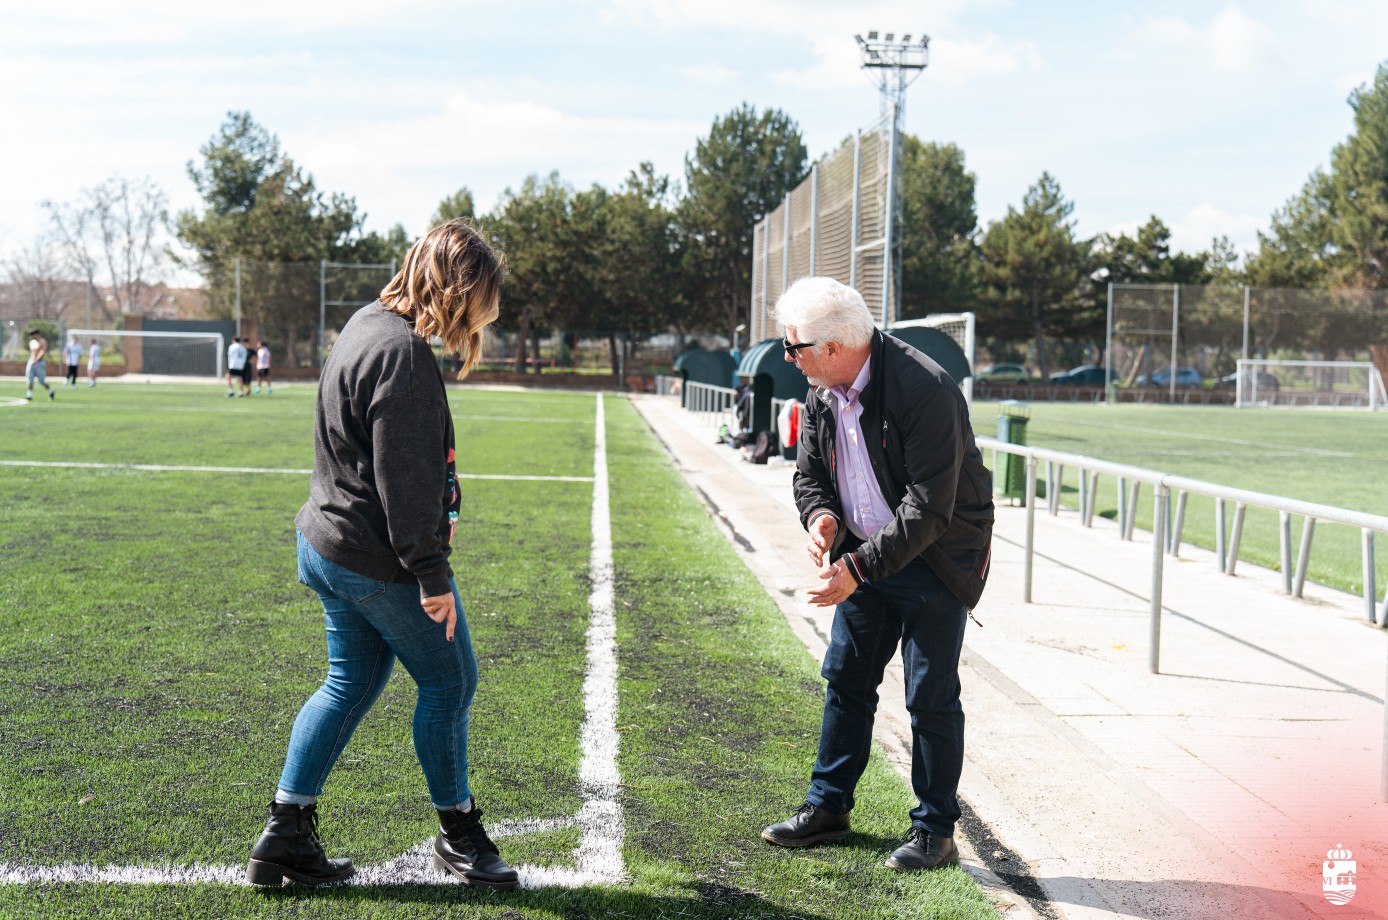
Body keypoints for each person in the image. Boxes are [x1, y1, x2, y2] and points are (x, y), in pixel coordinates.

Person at [247, 220, 516, 890]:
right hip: (372, 557)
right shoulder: (403, 354)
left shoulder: (366, 323)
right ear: (456, 291)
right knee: (451, 681)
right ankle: (458, 832)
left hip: (329, 541)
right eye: (481, 303)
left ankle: (285, 834)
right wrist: (432, 576)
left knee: (350, 683)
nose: (481, 319)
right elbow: (405, 482)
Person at [760, 277, 994, 872]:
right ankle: (828, 807)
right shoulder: (821, 387)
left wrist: (856, 569)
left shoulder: (926, 388)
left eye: (793, 346)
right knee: (846, 678)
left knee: (930, 694)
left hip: (934, 558)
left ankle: (935, 831)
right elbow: (810, 473)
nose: (788, 357)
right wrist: (821, 517)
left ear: (833, 347)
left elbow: (929, 508)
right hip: (866, 555)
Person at [24, 330, 55, 402]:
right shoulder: (32, 342)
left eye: (33, 334)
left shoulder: (43, 341)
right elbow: (32, 353)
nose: (32, 336)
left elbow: (42, 352)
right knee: (29, 379)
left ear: (37, 334)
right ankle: (29, 395)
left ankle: (51, 391)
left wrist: (36, 360)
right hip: (31, 362)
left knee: (42, 381)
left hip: (39, 363)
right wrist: (32, 361)